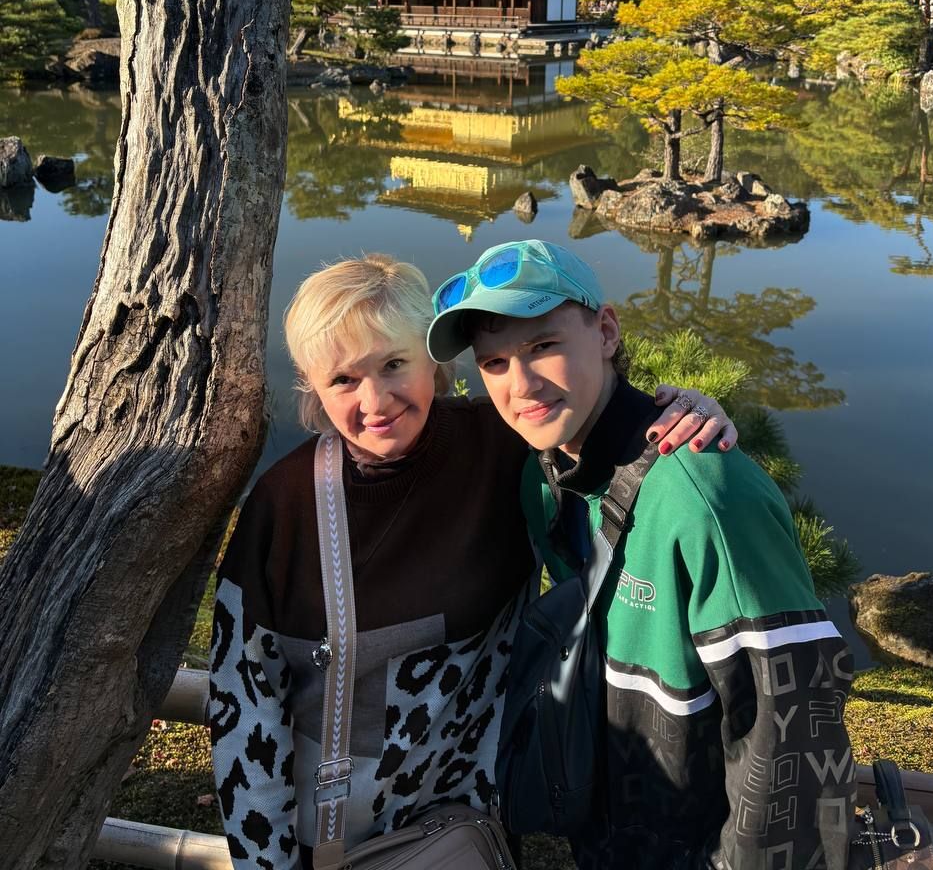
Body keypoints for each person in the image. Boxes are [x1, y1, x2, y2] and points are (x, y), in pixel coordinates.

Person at [209, 254, 738, 870]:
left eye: (394, 364)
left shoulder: (506, 448)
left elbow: (601, 434)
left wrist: (678, 414)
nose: (375, 400)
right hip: (336, 844)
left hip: (474, 826)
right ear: (312, 386)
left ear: (434, 361)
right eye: (344, 380)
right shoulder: (286, 506)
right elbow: (245, 706)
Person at [425, 238, 856, 870]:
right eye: (494, 363)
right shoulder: (544, 474)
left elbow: (789, 733)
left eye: (543, 346)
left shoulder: (704, 496)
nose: (522, 386)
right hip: (614, 830)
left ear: (605, 331)